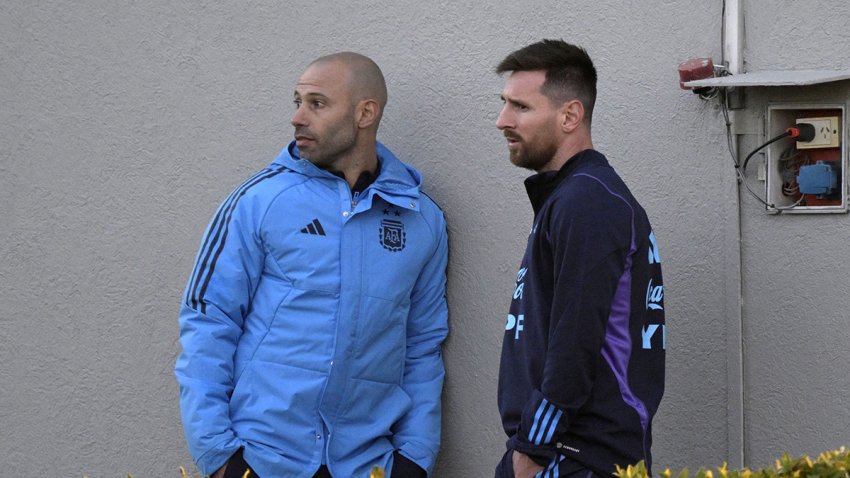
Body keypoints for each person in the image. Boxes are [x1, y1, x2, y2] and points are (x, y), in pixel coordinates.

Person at [174, 52, 449, 478]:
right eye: (297, 101)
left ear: (365, 113)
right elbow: (208, 322)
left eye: (316, 104)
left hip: (367, 463)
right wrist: (219, 456)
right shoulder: (260, 201)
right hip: (261, 459)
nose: (297, 117)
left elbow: (423, 344)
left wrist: (414, 457)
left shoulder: (421, 218)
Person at [492, 40, 666, 478]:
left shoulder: (587, 201)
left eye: (520, 107)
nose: (502, 121)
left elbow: (574, 345)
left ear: (570, 115)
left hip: (573, 458)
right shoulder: (576, 197)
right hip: (567, 453)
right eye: (504, 104)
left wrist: (530, 451)